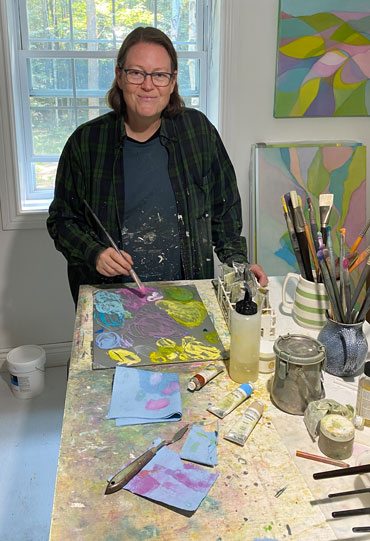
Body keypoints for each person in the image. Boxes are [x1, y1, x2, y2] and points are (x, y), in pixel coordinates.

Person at [47, 26, 267, 306]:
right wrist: (95, 253)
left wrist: (239, 266)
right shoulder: (86, 143)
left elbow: (225, 215)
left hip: (188, 296)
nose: (148, 85)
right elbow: (62, 220)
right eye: (136, 73)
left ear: (173, 81)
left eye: (160, 75)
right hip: (111, 301)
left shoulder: (198, 132)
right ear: (120, 76)